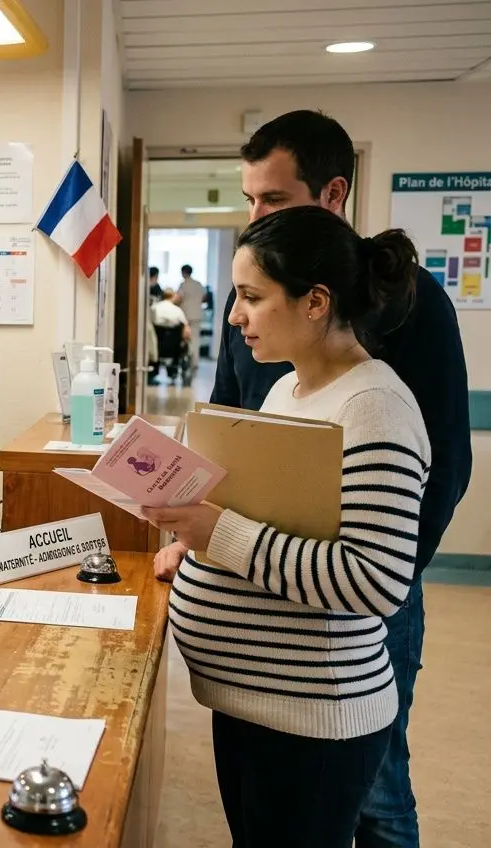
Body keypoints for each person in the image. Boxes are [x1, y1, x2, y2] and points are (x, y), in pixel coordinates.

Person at [152, 110, 471, 848]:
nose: (234, 318)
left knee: (379, 808)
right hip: (259, 698)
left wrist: (219, 533)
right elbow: (273, 503)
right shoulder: (290, 386)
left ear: (317, 300)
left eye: (253, 298)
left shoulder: (376, 403)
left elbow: (374, 578)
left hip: (316, 703)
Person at [174, 264, 206, 372]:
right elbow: (204, 298)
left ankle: (186, 360)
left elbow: (178, 299)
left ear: (183, 272)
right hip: (197, 315)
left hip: (186, 316)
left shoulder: (183, 285)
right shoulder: (199, 284)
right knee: (196, 339)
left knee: (186, 339)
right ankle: (195, 362)